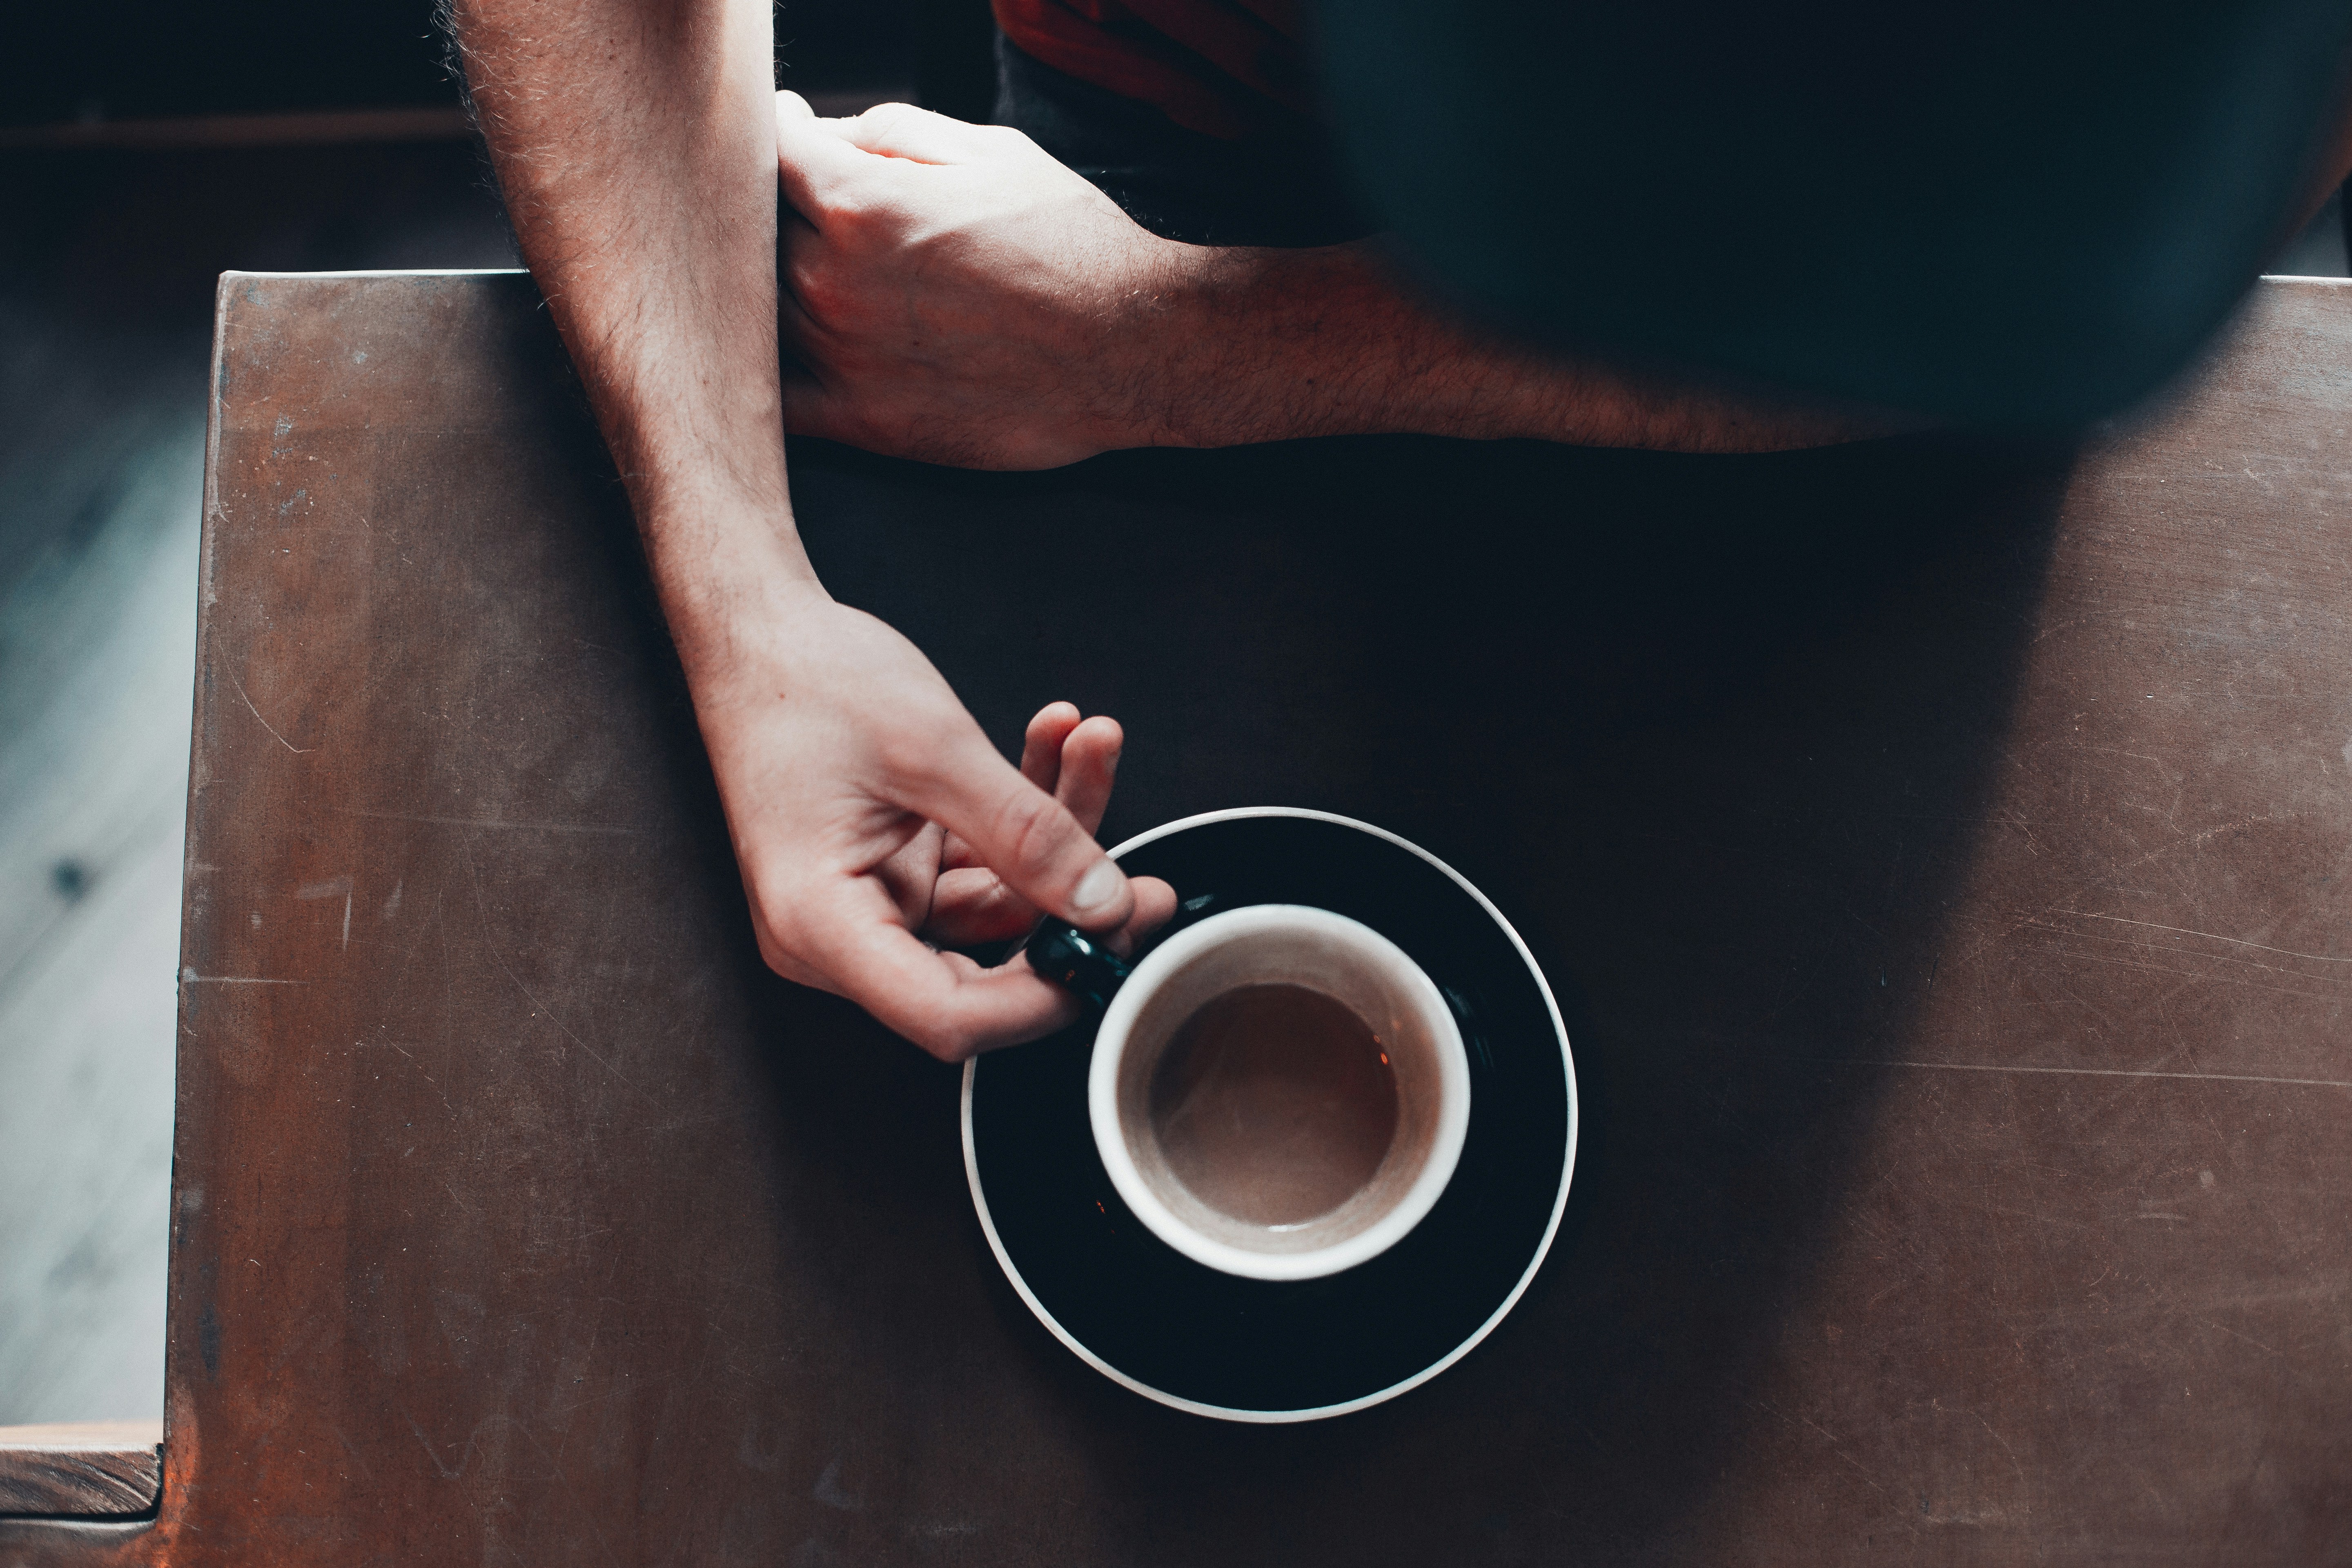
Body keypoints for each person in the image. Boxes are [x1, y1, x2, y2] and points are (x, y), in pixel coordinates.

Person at [442, 0, 2346, 1060]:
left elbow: (2029, 304)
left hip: (1932, 423)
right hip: (1172, 172)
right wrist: (751, 606)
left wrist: (1167, 349)